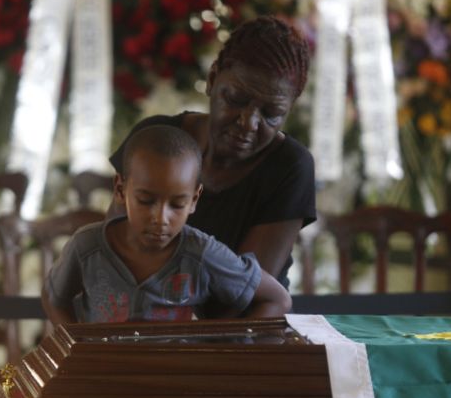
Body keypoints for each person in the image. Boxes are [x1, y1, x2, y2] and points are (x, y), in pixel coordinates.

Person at [108, 16, 316, 294]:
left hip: (242, 330)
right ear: (212, 79)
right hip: (142, 315)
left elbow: (244, 292)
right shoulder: (154, 140)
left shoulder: (290, 166)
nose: (249, 123)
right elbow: (111, 254)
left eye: (271, 114)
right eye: (236, 100)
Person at [42, 125, 292, 324]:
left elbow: (278, 299)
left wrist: (228, 353)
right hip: (102, 379)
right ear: (120, 189)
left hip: (176, 381)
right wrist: (75, 350)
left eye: (177, 205)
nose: (160, 218)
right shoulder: (86, 247)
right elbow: (55, 299)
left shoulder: (201, 253)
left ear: (194, 199)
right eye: (146, 200)